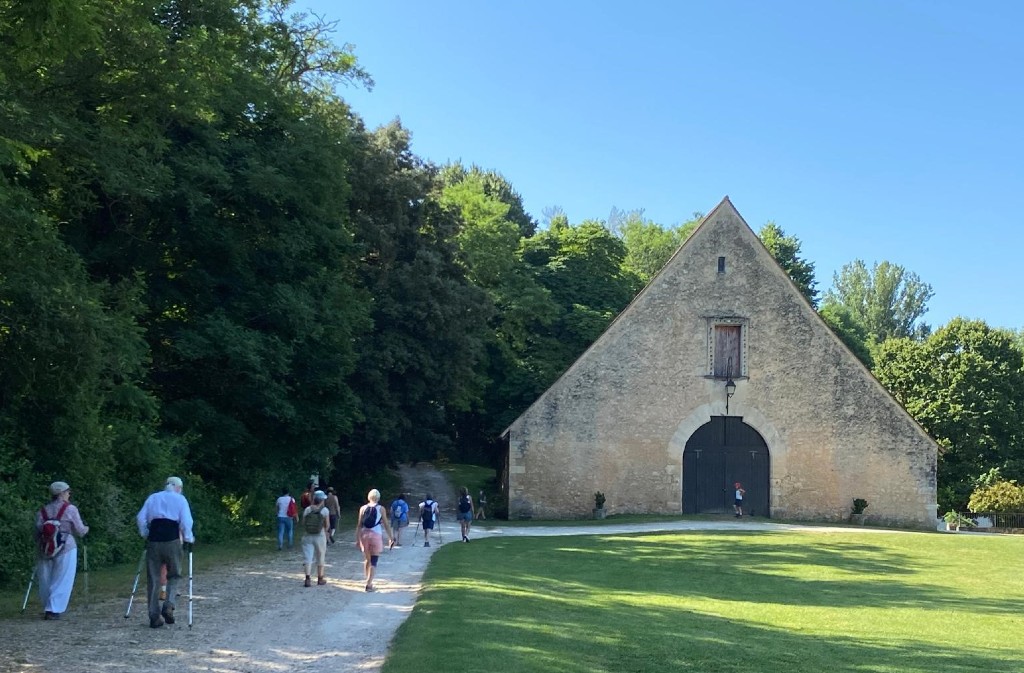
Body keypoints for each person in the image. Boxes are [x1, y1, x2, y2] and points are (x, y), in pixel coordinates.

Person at [137, 476, 194, 629]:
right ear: (177, 487)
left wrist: (145, 533)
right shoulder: (180, 499)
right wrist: (188, 537)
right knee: (174, 574)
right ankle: (168, 604)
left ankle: (154, 616)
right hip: (172, 539)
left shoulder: (153, 497)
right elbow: (186, 521)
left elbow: (141, 518)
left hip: (154, 539)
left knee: (153, 578)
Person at [34, 481, 89, 620]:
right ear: (62, 493)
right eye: (68, 491)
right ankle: (53, 609)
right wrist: (87, 529)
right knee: (62, 578)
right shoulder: (70, 509)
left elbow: (37, 531)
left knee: (45, 578)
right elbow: (80, 531)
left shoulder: (42, 511)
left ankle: (47, 606)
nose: (69, 494)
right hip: (66, 546)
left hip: (44, 548)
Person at [356, 489, 393, 592]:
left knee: (367, 559)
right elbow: (385, 524)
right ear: (378, 498)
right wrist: (391, 537)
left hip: (364, 535)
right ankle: (369, 584)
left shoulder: (363, 508)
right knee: (374, 560)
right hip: (375, 535)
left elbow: (359, 525)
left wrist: (357, 539)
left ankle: (367, 579)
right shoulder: (381, 509)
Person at [300, 490, 329, 587]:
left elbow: (303, 523)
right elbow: (327, 525)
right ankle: (320, 578)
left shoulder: (308, 509)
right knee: (320, 556)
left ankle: (307, 579)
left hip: (307, 535)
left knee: (308, 557)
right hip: (320, 536)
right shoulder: (325, 511)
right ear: (321, 500)